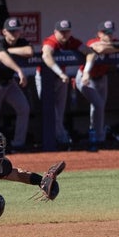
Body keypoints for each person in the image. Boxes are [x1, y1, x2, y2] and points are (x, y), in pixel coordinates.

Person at [77, 20, 119, 151]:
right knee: (98, 104)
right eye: (105, 33)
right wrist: (118, 47)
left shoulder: (114, 41)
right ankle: (96, 138)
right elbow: (100, 48)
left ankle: (98, 139)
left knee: (99, 107)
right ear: (99, 33)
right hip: (86, 77)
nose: (108, 35)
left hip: (102, 78)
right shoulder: (92, 41)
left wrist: (114, 45)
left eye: (110, 33)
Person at [0, 18, 33, 152]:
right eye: (11, 31)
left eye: (16, 31)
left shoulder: (21, 42)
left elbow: (29, 51)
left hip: (8, 83)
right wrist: (19, 70)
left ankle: (18, 144)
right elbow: (2, 56)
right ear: (4, 31)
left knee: (24, 108)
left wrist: (11, 50)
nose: (14, 33)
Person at [39, 20, 87, 149]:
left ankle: (60, 141)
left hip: (61, 78)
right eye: (62, 32)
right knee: (51, 112)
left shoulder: (72, 41)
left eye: (67, 31)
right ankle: (60, 141)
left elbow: (88, 51)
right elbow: (46, 55)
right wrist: (60, 73)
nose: (64, 34)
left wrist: (86, 71)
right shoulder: (51, 41)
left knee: (59, 113)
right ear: (55, 32)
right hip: (46, 78)